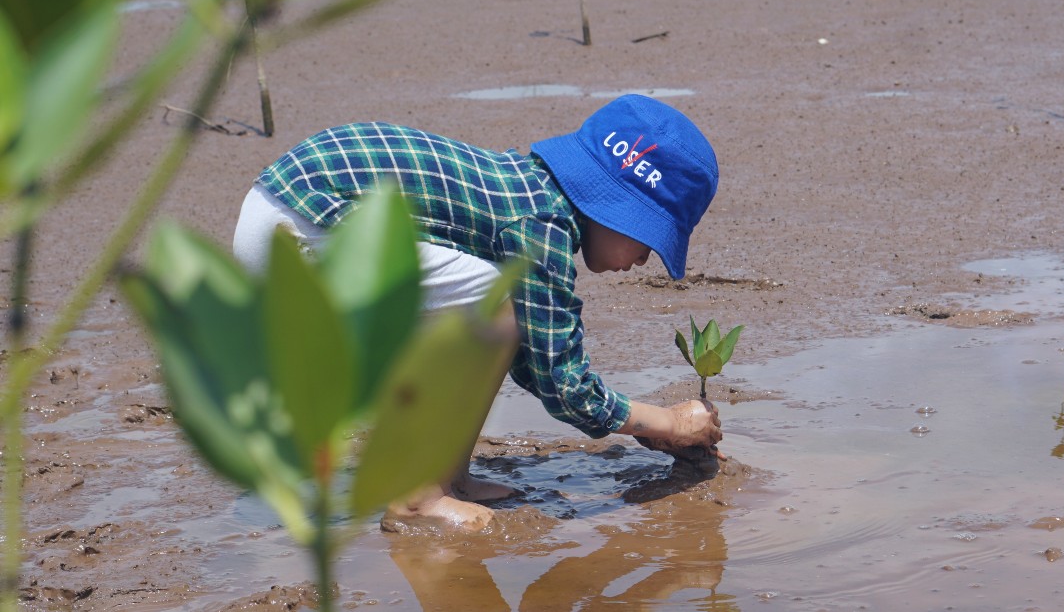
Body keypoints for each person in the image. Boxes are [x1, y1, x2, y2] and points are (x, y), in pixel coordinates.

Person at [231, 94, 724, 529]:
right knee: (495, 303)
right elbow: (565, 386)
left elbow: (531, 358)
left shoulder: (529, 189)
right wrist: (667, 423)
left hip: (288, 208)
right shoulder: (541, 228)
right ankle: (420, 498)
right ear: (616, 209)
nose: (643, 260)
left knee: (495, 316)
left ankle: (448, 478)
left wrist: (645, 428)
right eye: (648, 239)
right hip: (303, 229)